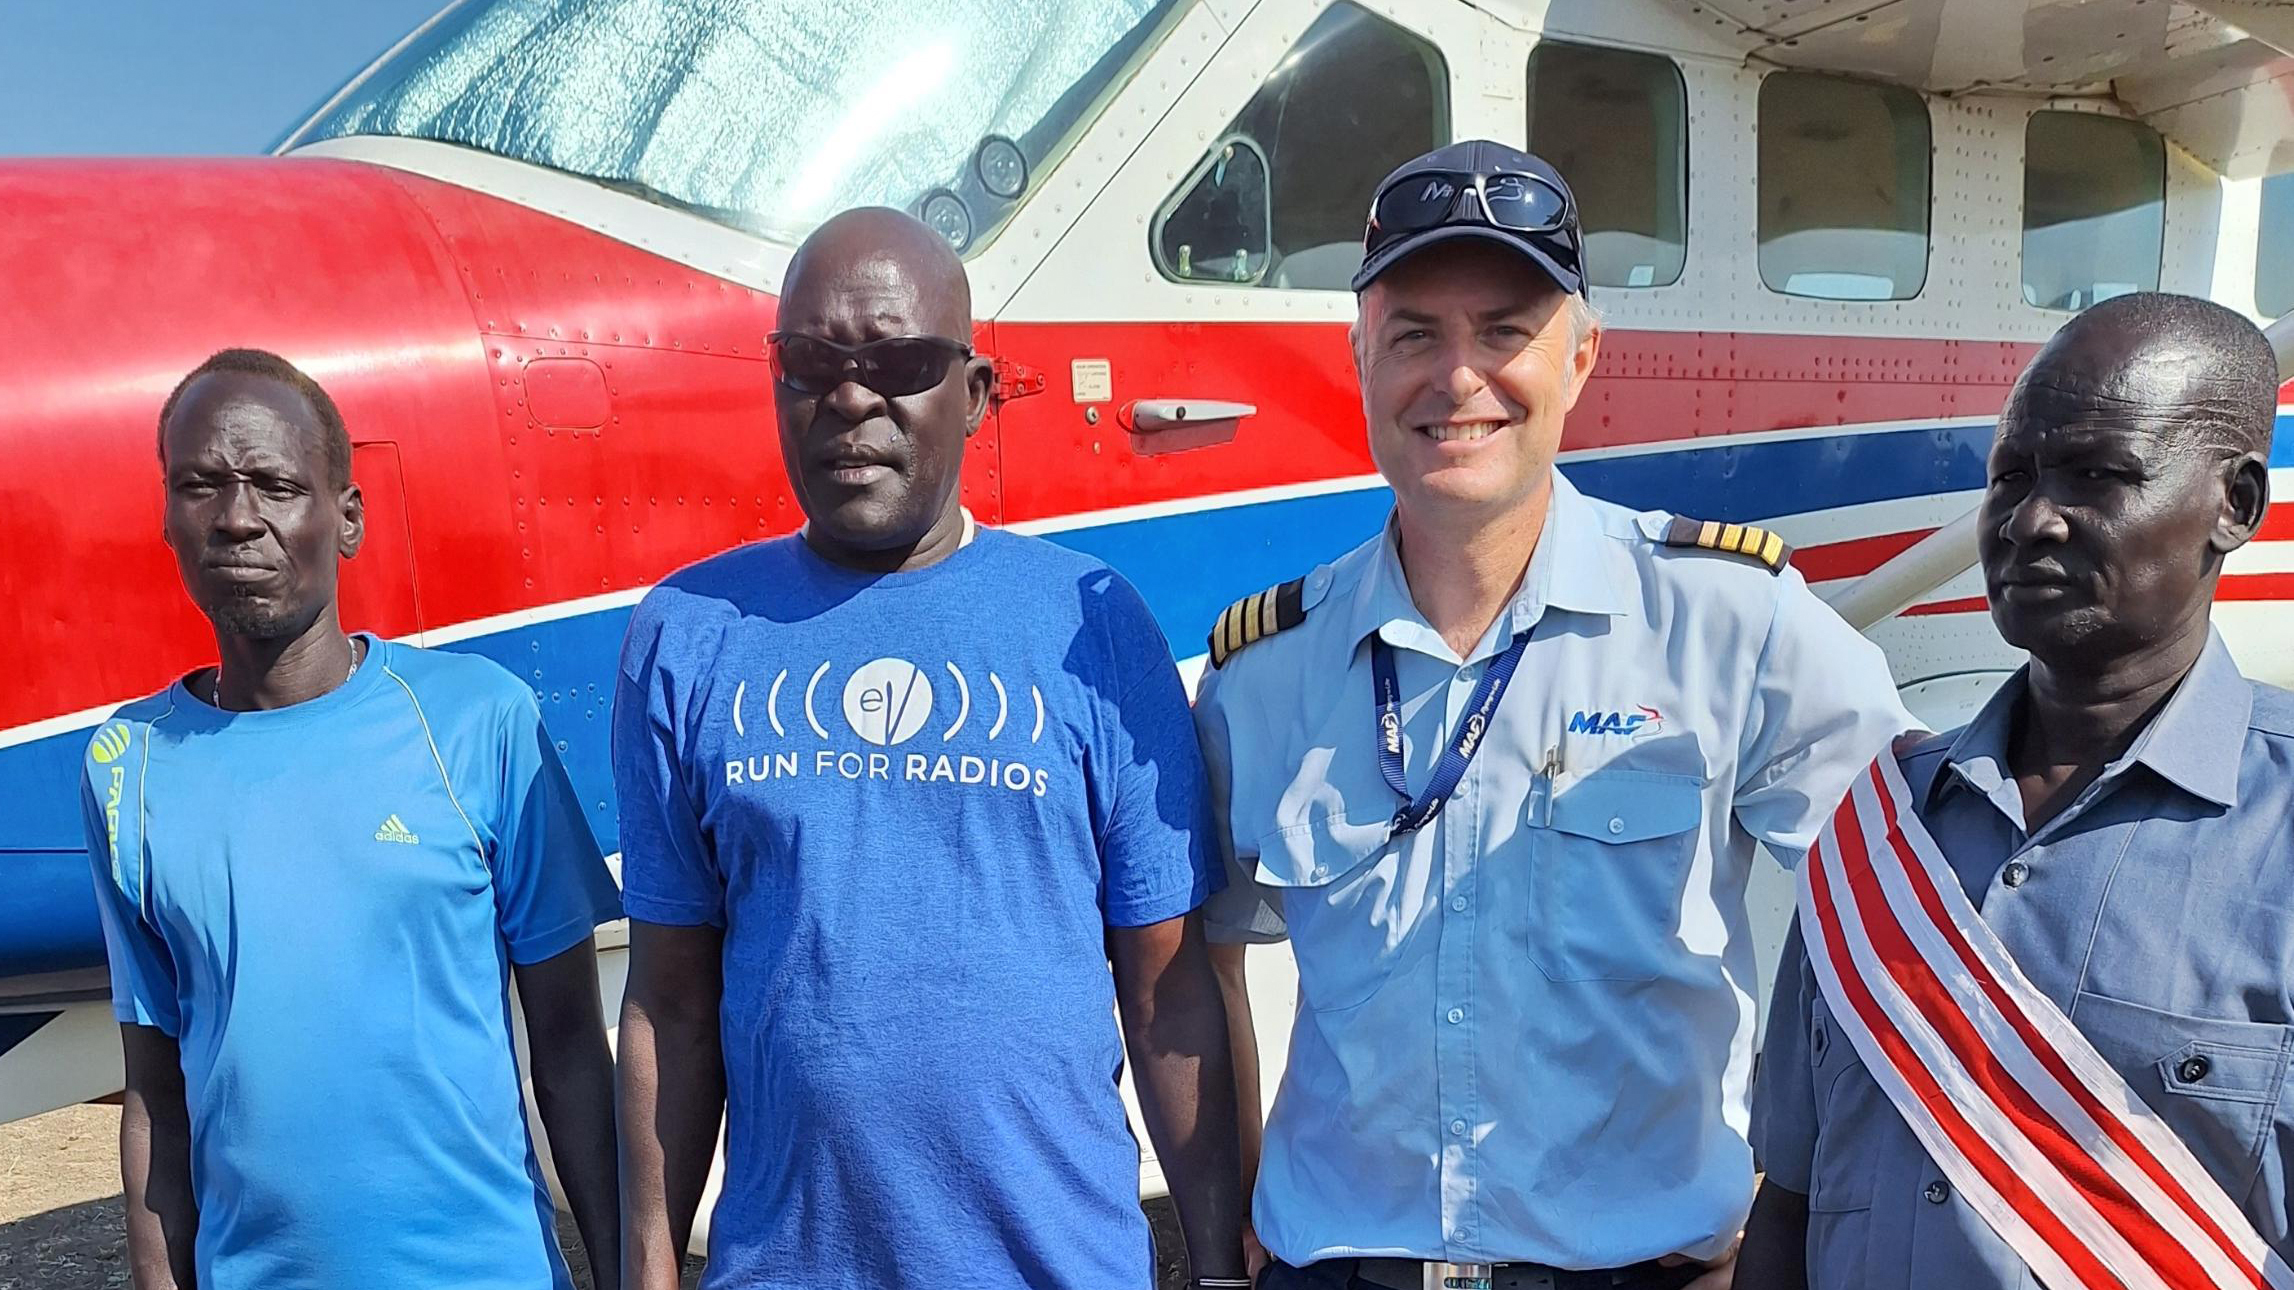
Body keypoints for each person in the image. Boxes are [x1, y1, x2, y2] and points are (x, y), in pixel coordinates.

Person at [1195, 141, 1914, 1290]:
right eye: (1413, 335)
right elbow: (1206, 964)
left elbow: (1911, 912)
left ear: (1579, 359)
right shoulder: (1264, 673)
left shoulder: (1728, 621)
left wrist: (1805, 1202)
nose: (1457, 378)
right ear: (1359, 361)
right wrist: (1224, 1231)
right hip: (1338, 1266)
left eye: (1503, 332)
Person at [612, 207, 1246, 1290]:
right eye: (811, 363)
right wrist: (649, 1270)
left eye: (900, 364)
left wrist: (1224, 1267)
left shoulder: (1094, 627)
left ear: (976, 393)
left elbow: (1167, 992)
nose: (851, 398)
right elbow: (670, 1002)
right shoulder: (686, 636)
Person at [1739, 292, 2294, 1289]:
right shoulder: (1877, 828)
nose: (2031, 520)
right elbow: (1787, 1205)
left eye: (2098, 476)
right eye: (2010, 477)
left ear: (2235, 505)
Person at [84, 349, 624, 1290]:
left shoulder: (480, 720)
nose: (237, 517)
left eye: (277, 486)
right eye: (200, 485)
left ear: (347, 518)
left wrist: (626, 1271)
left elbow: (573, 1047)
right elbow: (157, 1096)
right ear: (166, 518)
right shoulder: (125, 765)